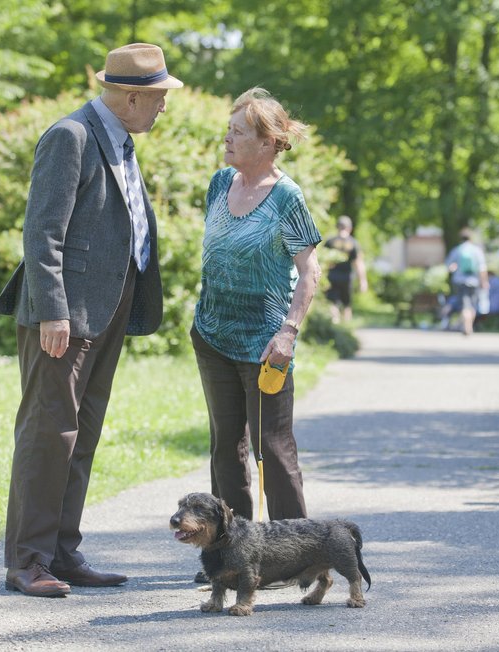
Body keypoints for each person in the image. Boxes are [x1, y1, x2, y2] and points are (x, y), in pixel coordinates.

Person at [0, 43, 182, 597]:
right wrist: (53, 310)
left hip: (107, 306)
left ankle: (62, 554)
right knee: (49, 434)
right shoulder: (69, 136)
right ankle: (27, 561)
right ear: (128, 97)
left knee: (82, 433)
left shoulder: (119, 139)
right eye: (158, 98)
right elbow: (42, 232)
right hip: (65, 314)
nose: (163, 108)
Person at [190, 87, 321, 548]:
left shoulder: (286, 197)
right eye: (228, 129)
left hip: (264, 344)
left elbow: (309, 270)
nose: (226, 138)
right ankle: (231, 550)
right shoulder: (219, 184)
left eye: (238, 132)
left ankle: (298, 551)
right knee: (226, 448)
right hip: (211, 334)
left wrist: (288, 332)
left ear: (267, 143)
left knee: (273, 449)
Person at [323, 215, 368, 322]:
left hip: (332, 276)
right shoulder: (353, 243)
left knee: (333, 302)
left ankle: (335, 323)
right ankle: (346, 326)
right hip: (347, 277)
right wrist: (363, 281)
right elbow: (358, 263)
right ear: (350, 228)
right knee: (347, 304)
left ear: (337, 226)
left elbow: (323, 260)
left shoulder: (330, 241)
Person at [444, 228, 489, 335]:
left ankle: (466, 326)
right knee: (472, 305)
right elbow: (482, 268)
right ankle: (469, 326)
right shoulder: (476, 250)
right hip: (474, 282)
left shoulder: (457, 250)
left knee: (464, 305)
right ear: (471, 238)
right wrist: (484, 281)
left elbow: (449, 266)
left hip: (459, 281)